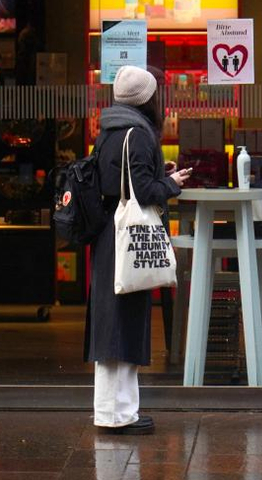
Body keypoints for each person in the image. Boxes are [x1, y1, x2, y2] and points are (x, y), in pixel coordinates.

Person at [84, 65, 191, 435]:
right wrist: (172, 184)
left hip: (108, 236)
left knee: (109, 325)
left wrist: (161, 175)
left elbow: (120, 181)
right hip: (127, 238)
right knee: (125, 322)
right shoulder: (140, 135)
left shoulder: (108, 131)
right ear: (148, 98)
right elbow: (145, 193)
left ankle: (111, 411)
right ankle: (120, 415)